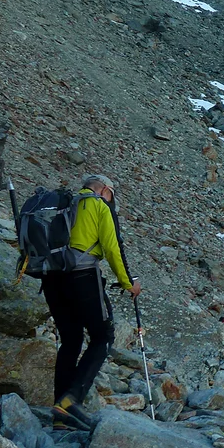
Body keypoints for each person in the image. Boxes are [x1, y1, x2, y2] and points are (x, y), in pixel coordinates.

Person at [43, 174, 140, 430]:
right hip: (83, 277)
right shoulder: (98, 206)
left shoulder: (64, 204)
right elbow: (112, 248)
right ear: (105, 190)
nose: (111, 200)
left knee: (71, 341)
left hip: (51, 278)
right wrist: (128, 283)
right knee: (103, 337)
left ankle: (60, 415)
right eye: (112, 195)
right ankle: (70, 400)